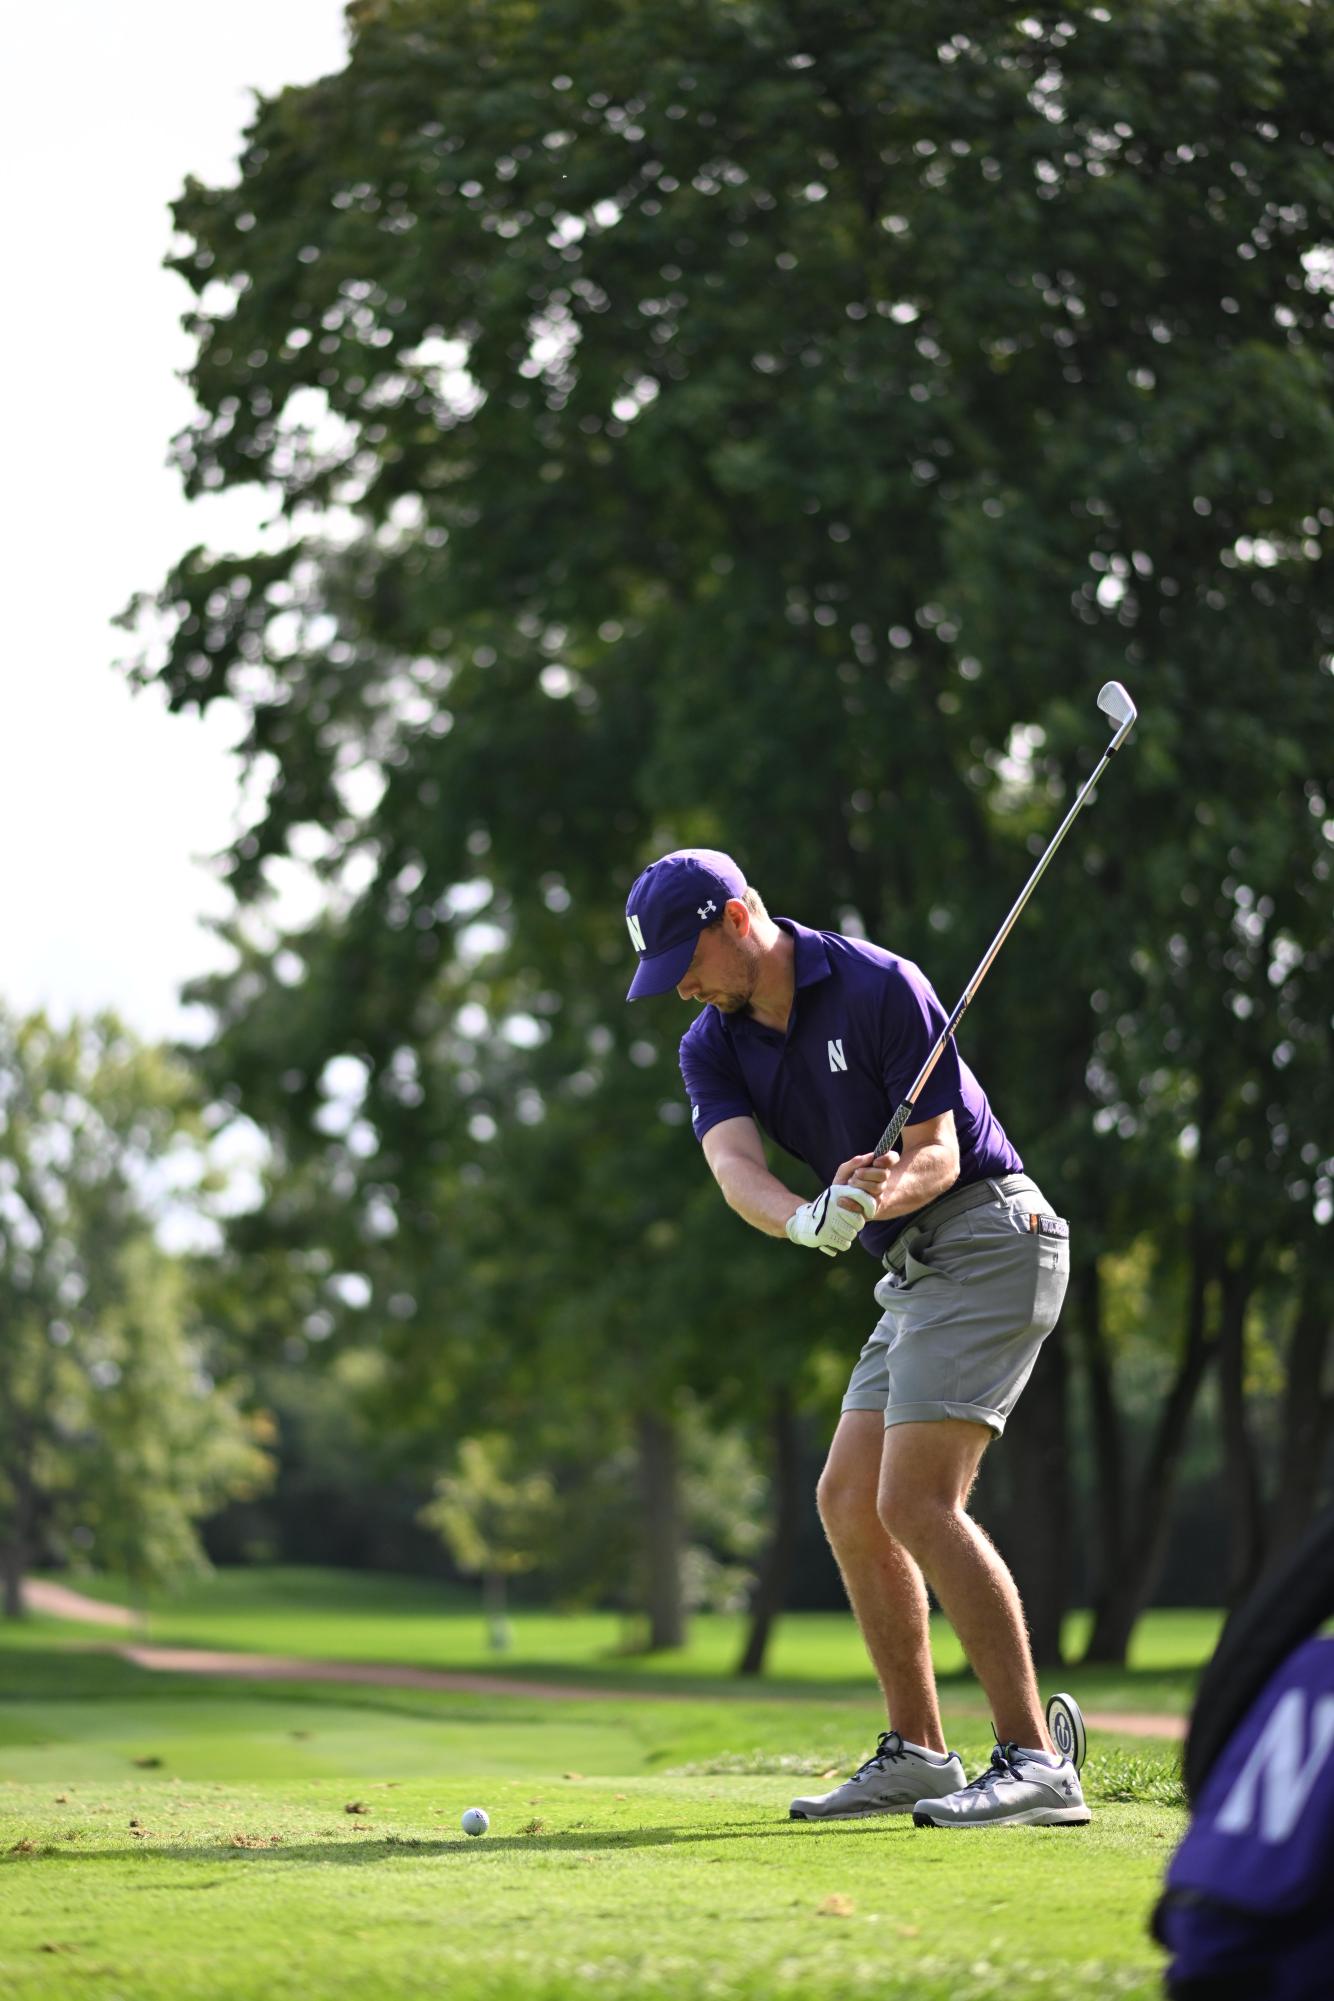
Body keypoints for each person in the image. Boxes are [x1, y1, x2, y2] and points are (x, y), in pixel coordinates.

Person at [624, 846, 1088, 1829]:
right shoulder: (711, 1041)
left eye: (686, 960)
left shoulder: (880, 985)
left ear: (736, 914)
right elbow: (731, 1165)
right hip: (914, 1268)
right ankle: (920, 1752)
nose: (683, 988)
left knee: (914, 1499)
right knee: (848, 1501)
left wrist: (873, 1192)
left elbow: (937, 1154)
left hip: (990, 1232)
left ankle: (1035, 1764)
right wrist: (801, 1215)